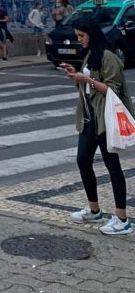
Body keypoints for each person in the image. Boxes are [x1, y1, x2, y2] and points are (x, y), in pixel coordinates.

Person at [63, 16, 134, 235]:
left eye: (81, 36)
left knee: (112, 165)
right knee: (82, 160)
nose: (79, 40)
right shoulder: (90, 56)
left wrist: (87, 81)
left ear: (92, 35)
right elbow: (88, 87)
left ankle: (122, 218)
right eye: (77, 36)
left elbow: (112, 89)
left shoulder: (108, 57)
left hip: (105, 118)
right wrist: (76, 75)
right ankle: (94, 210)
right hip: (89, 118)